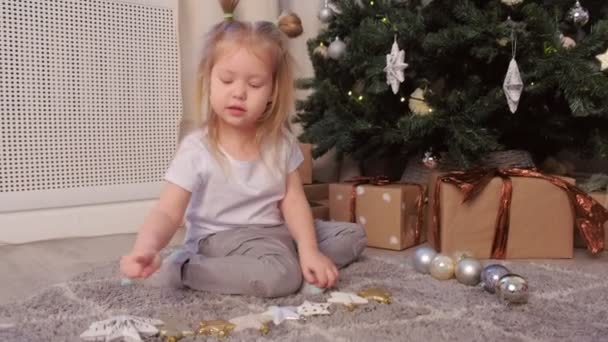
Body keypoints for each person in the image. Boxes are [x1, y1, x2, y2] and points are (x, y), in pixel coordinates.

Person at [120, 0, 367, 298]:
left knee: (353, 235)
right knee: (280, 276)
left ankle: (294, 260)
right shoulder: (197, 149)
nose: (238, 92)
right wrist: (146, 247)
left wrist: (309, 249)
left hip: (274, 232)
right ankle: (185, 268)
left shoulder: (281, 142)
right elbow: (167, 212)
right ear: (209, 80)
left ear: (272, 92)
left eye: (254, 84)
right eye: (226, 80)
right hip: (219, 239)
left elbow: (293, 202)